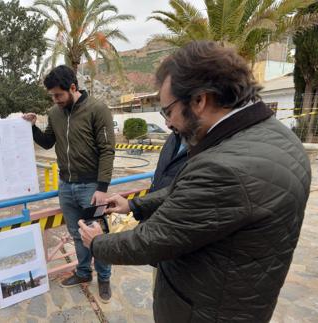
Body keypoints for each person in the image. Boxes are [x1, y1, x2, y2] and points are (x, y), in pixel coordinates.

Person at [78, 41, 311, 322]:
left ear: (200, 100)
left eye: (168, 111)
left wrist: (97, 243)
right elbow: (195, 200)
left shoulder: (223, 167)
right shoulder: (276, 136)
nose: (167, 123)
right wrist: (134, 206)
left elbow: (152, 241)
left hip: (204, 310)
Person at [22, 65, 115, 303]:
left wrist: (102, 188)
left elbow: (107, 150)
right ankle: (84, 273)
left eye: (58, 95)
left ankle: (104, 278)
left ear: (73, 87)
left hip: (91, 186)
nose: (55, 100)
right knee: (76, 234)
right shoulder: (54, 113)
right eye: (52, 96)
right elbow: (47, 142)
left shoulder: (97, 109)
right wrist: (32, 127)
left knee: (98, 235)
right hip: (66, 186)